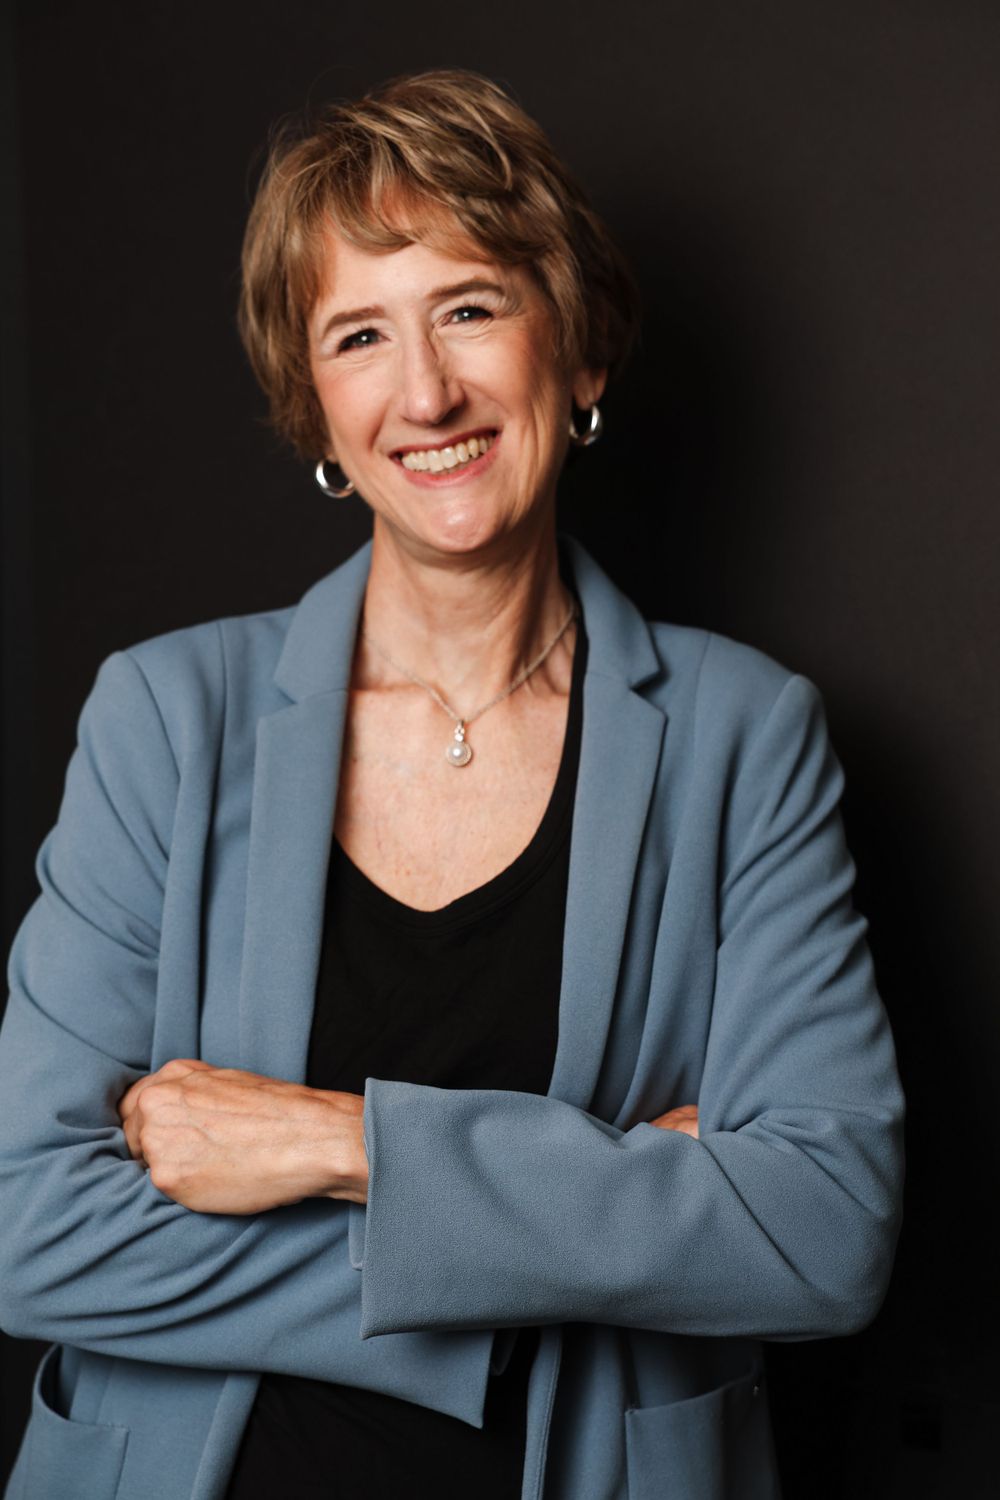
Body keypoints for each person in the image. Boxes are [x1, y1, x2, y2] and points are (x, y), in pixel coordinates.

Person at [0, 69, 903, 1500]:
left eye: (472, 307)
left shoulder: (746, 735)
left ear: (582, 353)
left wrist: (338, 1143)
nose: (425, 392)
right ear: (319, 418)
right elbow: (34, 1227)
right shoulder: (168, 719)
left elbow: (821, 1229)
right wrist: (569, 1228)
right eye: (360, 335)